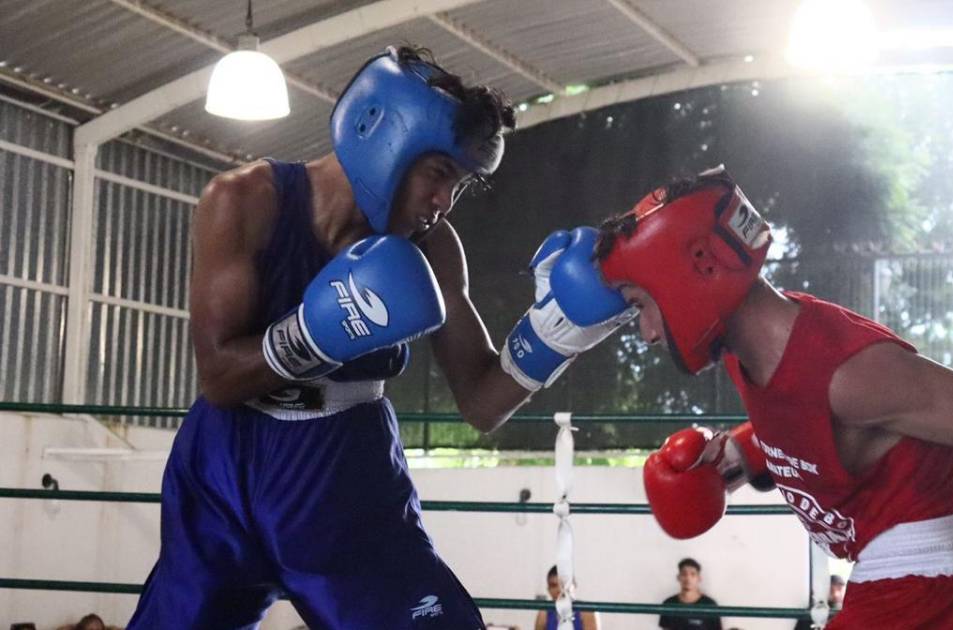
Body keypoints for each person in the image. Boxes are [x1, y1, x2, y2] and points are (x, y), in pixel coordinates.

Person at [126, 46, 631, 629]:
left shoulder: (434, 247)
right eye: (438, 174)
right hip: (223, 466)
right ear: (380, 134)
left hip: (344, 467)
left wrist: (555, 332)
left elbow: (481, 401)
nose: (444, 202)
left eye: (460, 185)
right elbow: (217, 377)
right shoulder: (245, 200)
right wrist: (314, 333)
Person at [595, 167, 953, 629]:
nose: (646, 332)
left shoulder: (848, 372)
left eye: (642, 305)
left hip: (929, 596)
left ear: (693, 274)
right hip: (900, 590)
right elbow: (812, 420)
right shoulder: (752, 354)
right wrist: (741, 458)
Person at [658, 558, 721, 630]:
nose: (688, 578)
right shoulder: (668, 604)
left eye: (693, 574)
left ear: (699, 578)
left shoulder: (710, 605)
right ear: (678, 577)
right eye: (684, 574)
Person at [534, 566, 599, 630]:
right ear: (548, 589)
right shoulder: (544, 614)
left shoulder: (586, 612)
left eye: (564, 585)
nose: (559, 590)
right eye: (553, 585)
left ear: (574, 585)